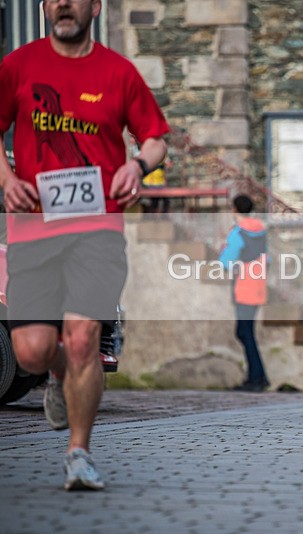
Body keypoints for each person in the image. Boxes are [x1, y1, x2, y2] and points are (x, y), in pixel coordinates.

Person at [0, 0, 169, 490]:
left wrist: (137, 166)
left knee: (82, 341)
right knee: (31, 351)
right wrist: (7, 177)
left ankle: (79, 453)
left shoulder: (117, 72)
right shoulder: (19, 66)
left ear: (95, 6)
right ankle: (54, 375)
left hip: (97, 230)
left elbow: (156, 137)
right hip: (33, 228)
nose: (63, 4)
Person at [219, 194, 269, 392]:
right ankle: (256, 377)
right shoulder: (261, 230)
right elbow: (268, 258)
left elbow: (225, 262)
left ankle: (257, 378)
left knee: (244, 332)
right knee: (246, 331)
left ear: (234, 209)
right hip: (258, 285)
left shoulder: (237, 232)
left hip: (244, 286)